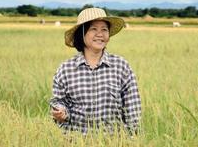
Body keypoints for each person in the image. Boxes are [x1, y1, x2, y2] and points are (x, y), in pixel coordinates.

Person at [49, 7, 141, 135]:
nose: (100, 34)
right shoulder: (65, 69)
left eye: (104, 29)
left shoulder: (121, 66)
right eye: (93, 29)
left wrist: (132, 140)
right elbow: (59, 102)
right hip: (75, 141)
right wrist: (61, 112)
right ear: (82, 33)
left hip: (113, 141)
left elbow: (133, 111)